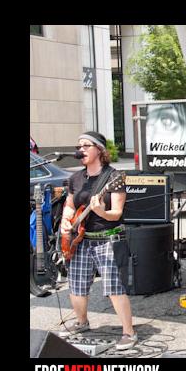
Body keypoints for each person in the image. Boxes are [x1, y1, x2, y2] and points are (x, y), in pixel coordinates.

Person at [58, 131, 137, 350]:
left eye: (86, 145)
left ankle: (129, 333)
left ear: (100, 150)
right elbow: (70, 205)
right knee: (77, 286)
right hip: (81, 240)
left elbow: (117, 213)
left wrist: (101, 211)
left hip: (107, 239)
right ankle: (82, 322)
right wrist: (66, 221)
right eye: (79, 146)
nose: (80, 150)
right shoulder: (75, 179)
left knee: (114, 287)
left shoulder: (113, 177)